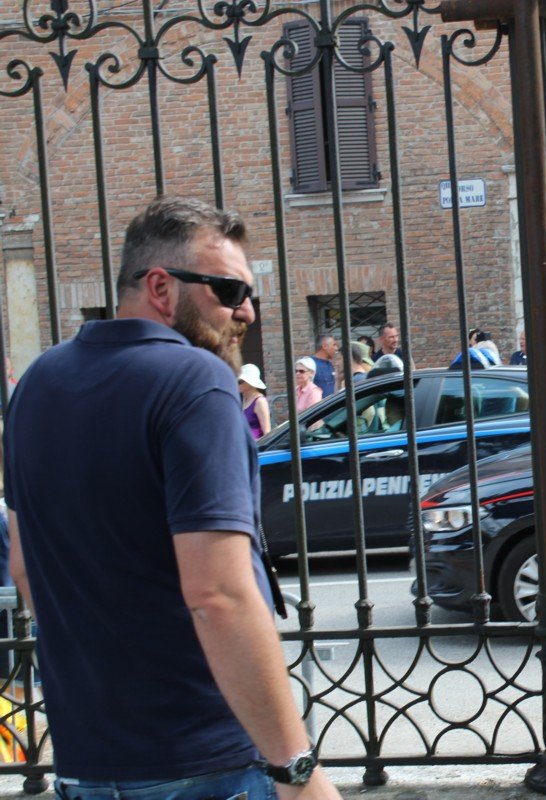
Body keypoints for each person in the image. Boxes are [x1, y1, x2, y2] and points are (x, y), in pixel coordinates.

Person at [2, 197, 338, 797]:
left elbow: (25, 569)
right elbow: (219, 594)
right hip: (203, 761)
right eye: (229, 291)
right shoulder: (197, 382)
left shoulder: (37, 384)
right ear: (161, 286)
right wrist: (297, 769)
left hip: (88, 762)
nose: (246, 311)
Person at [238, 363, 272, 439]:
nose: (237, 384)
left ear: (250, 383)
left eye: (240, 381)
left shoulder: (260, 401)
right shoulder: (244, 399)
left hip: (256, 444)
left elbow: (267, 433)